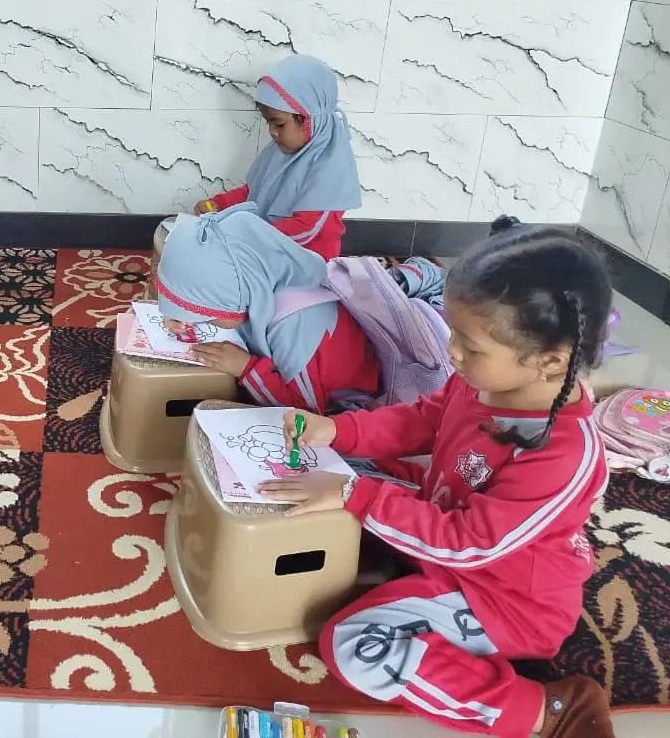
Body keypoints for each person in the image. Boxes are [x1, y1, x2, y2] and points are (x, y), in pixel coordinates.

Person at [258, 220, 614, 738]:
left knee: (355, 644)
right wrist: (339, 431)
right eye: (454, 333)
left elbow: (471, 544)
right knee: (344, 468)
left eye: (471, 346)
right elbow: (423, 419)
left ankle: (545, 710)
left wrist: (355, 496)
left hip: (503, 602)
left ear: (549, 362)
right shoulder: (482, 383)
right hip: (449, 535)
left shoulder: (564, 453)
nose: (452, 353)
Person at [154, 203, 380, 412]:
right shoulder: (261, 283)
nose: (200, 319)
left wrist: (246, 368)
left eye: (206, 314)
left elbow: (305, 413)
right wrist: (180, 313)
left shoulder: (297, 330)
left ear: (236, 296)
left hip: (343, 406)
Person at [193, 55, 360, 261]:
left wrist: (249, 237)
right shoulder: (279, 153)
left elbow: (306, 228)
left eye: (279, 124)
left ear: (311, 120)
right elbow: (252, 194)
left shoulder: (330, 168)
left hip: (305, 260)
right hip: (267, 246)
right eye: (268, 123)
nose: (272, 132)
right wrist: (219, 205)